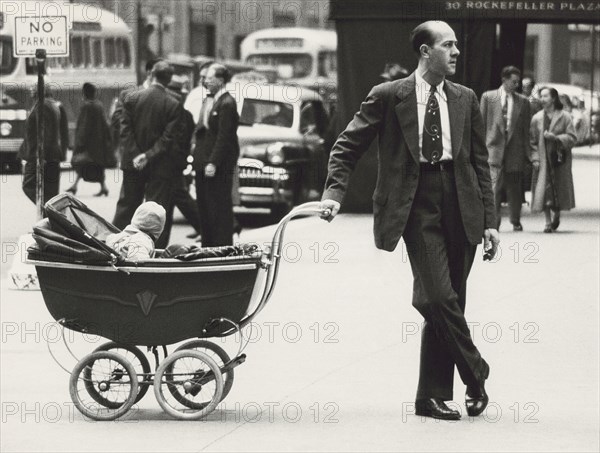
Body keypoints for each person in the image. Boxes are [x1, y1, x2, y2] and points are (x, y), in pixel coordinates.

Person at [319, 20, 499, 421]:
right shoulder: (388, 96)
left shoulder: (466, 98)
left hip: (461, 200)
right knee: (434, 296)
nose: (456, 52)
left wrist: (490, 220)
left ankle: (431, 396)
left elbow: (479, 161)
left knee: (451, 300)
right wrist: (334, 194)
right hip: (415, 203)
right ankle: (476, 370)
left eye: (456, 46)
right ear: (425, 52)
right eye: (448, 45)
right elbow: (346, 146)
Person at [113, 61, 184, 249]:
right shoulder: (174, 103)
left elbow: (125, 130)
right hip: (160, 163)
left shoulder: (131, 97)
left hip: (133, 163)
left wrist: (137, 155)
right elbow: (168, 138)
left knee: (127, 206)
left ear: (151, 74)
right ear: (169, 80)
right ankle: (154, 250)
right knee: (157, 210)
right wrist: (148, 155)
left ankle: (117, 246)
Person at [193, 63, 240, 247]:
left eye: (210, 78)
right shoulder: (210, 100)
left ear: (220, 80)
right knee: (204, 206)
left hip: (217, 165)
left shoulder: (227, 103)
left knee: (218, 206)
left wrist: (213, 162)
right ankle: (208, 243)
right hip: (202, 161)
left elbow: (224, 136)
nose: (206, 81)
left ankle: (221, 244)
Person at [480, 66, 531, 231]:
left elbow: (526, 129)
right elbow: (482, 123)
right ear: (504, 79)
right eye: (513, 81)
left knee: (514, 188)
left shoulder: (523, 101)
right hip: (493, 149)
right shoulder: (488, 97)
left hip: (515, 150)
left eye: (518, 82)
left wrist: (527, 153)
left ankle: (515, 219)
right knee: (494, 188)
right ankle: (494, 222)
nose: (516, 84)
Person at [530, 87, 576, 232]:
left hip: (559, 159)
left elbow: (573, 138)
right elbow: (531, 141)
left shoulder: (565, 117)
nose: (542, 99)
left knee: (559, 189)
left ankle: (556, 215)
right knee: (544, 190)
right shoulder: (537, 118)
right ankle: (548, 222)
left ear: (553, 98)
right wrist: (535, 158)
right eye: (541, 96)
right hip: (543, 160)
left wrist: (556, 138)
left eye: (545, 96)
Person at [166, 77, 203, 241]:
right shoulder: (186, 115)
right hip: (178, 162)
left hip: (172, 163)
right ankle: (201, 226)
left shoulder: (176, 115)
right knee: (178, 196)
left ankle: (203, 225)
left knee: (179, 196)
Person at [20, 85, 69, 208]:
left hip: (41, 154)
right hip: (52, 154)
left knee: (29, 185)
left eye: (33, 88)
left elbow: (45, 132)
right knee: (50, 191)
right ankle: (51, 217)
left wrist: (41, 155)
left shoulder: (43, 105)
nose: (30, 90)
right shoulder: (53, 104)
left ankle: (50, 212)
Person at [66, 83, 114, 196]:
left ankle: (75, 186)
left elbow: (84, 126)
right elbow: (104, 124)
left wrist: (79, 143)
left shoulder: (86, 106)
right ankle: (102, 187)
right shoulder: (99, 105)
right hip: (99, 143)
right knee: (97, 166)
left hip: (88, 144)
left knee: (82, 164)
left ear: (84, 93)